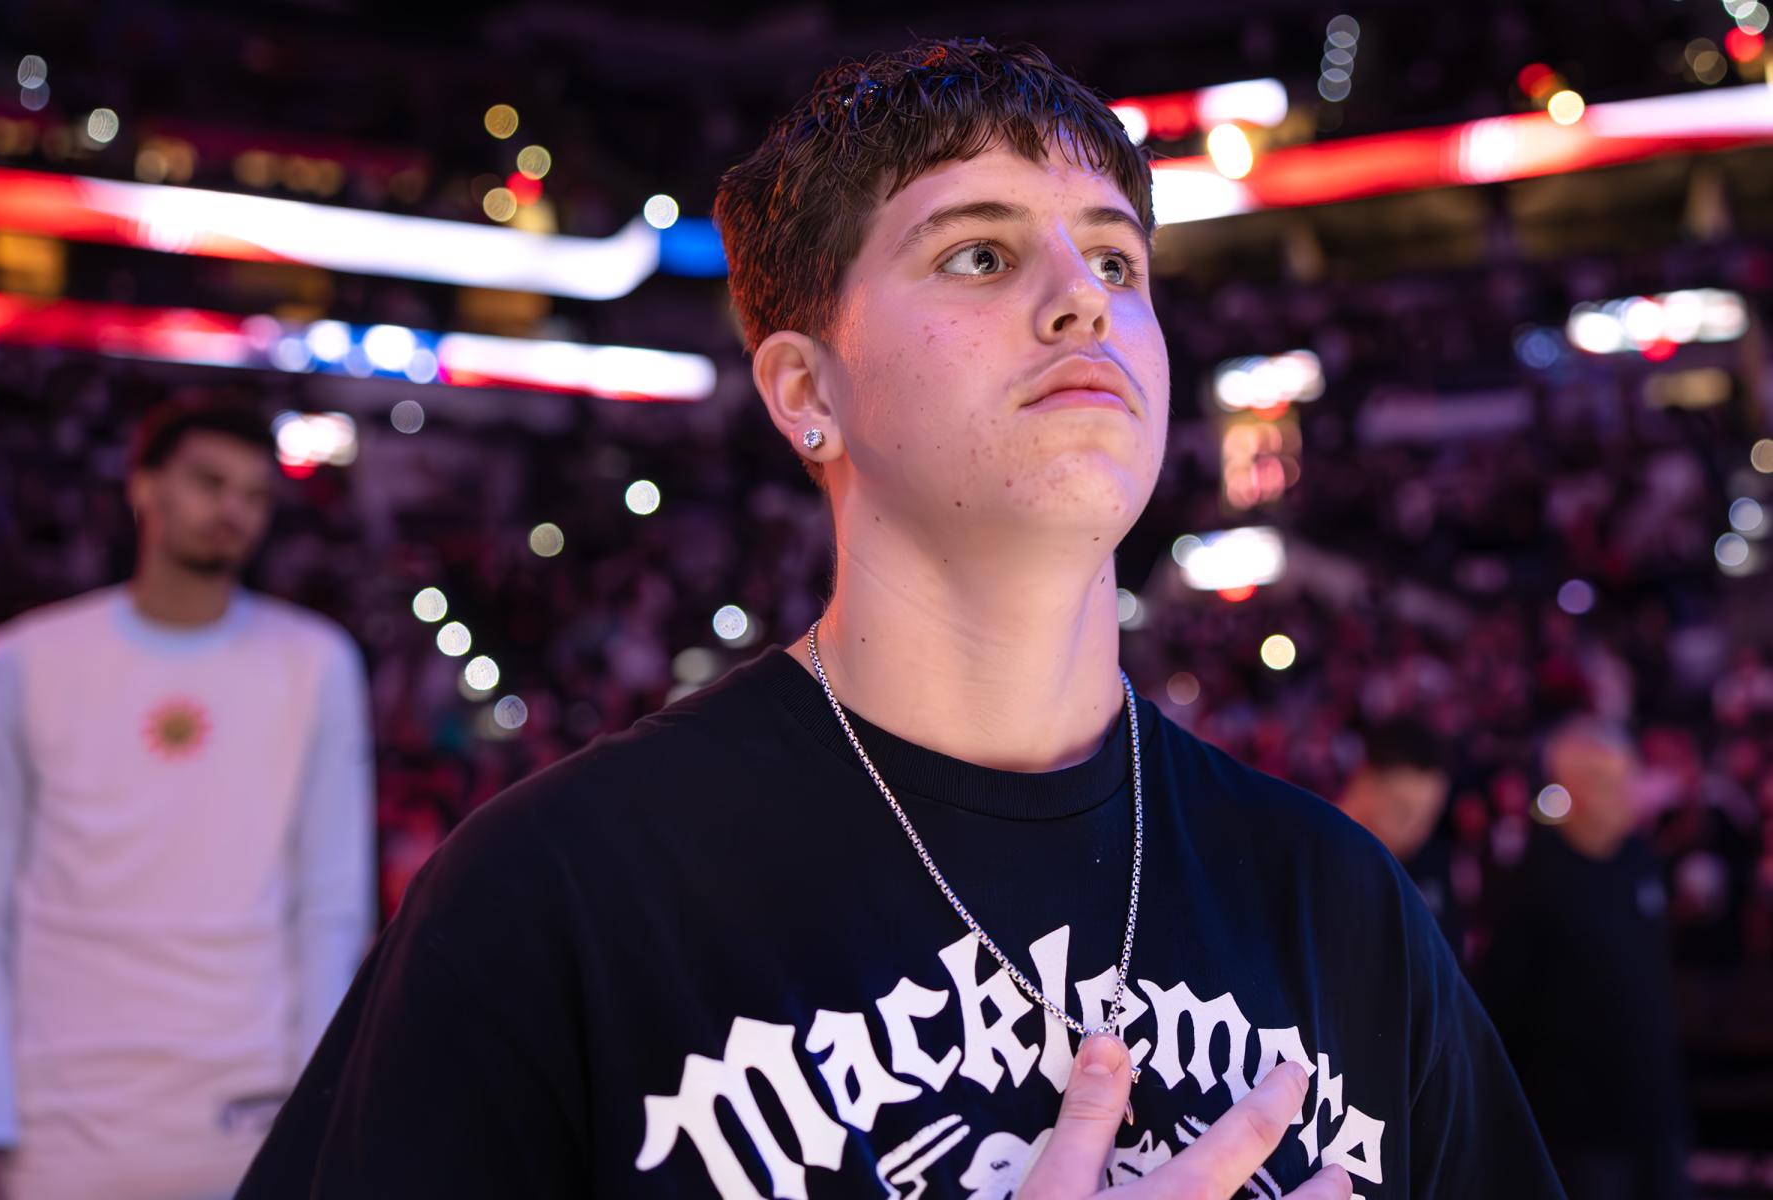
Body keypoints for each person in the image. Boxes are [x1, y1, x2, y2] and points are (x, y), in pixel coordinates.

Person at [239, 38, 1561, 1199]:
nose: (1084, 297)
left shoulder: (1340, 905)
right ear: (807, 391)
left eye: (1115, 257)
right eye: (979, 253)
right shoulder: (558, 894)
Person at [0, 398, 374, 1200]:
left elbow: (332, 905)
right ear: (144, 485)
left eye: (255, 494)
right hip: (61, 1119)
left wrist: (318, 1115)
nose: (232, 510)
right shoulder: (24, 662)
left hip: (250, 1110)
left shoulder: (315, 664)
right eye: (209, 482)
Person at [1478, 718, 1688, 1200]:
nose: (1627, 792)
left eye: (1628, 775)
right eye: (1608, 780)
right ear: (1572, 789)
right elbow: (1502, 1002)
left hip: (1657, 1111)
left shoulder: (1639, 859)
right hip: (1578, 1127)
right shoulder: (1534, 880)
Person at [1335, 721, 1463, 958]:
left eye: (1429, 817)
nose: (1417, 831)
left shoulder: (1429, 865)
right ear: (1364, 783)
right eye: (1402, 812)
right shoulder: (1315, 854)